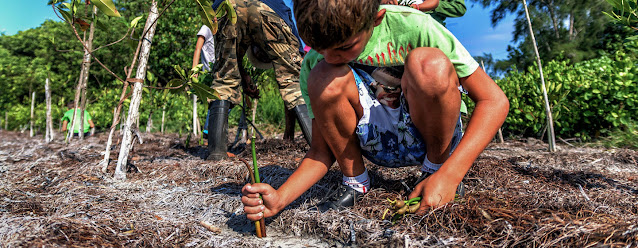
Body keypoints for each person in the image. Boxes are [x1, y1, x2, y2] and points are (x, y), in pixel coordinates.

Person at [241, 0, 509, 218]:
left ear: (376, 18)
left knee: (430, 64)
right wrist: (280, 198)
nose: (332, 58)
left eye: (345, 47)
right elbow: (322, 150)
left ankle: (434, 170)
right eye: (322, 49)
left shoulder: (415, 25)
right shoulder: (316, 63)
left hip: (431, 137)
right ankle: (356, 182)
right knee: (323, 76)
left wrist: (450, 174)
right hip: (375, 144)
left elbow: (494, 101)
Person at [206, 0, 312, 161]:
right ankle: (320, 148)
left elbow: (232, 60)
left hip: (227, 6)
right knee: (294, 83)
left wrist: (243, 76)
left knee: (223, 79)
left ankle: (216, 152)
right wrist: (297, 61)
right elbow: (294, 48)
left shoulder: (245, 40)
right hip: (269, 9)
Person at [192, 25, 217, 138]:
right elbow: (198, 48)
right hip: (209, 72)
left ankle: (210, 128)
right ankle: (208, 129)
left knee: (222, 100)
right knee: (216, 100)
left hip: (220, 70)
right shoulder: (206, 27)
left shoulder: (224, 25)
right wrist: (194, 69)